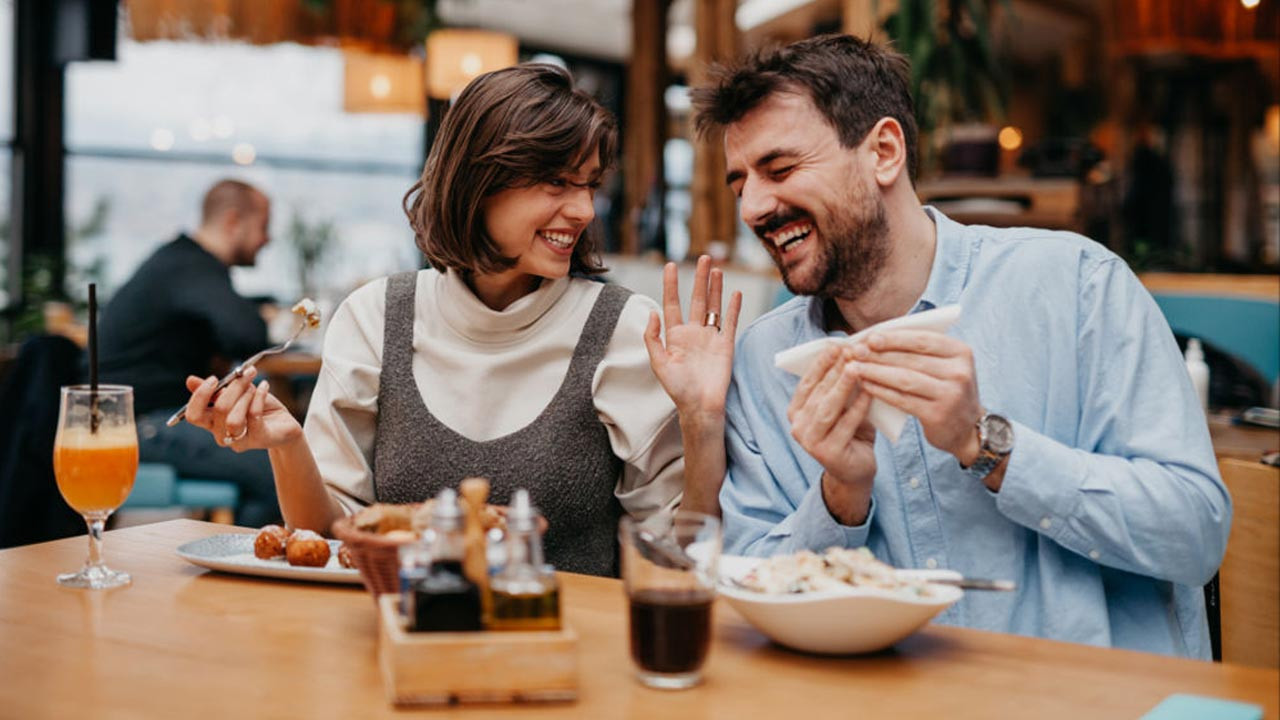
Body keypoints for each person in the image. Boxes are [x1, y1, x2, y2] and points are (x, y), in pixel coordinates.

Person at [668, 34, 1230, 658]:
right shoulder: (759, 362)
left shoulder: (1077, 286)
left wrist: (987, 445)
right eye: (739, 182)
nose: (753, 206)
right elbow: (747, 584)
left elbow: (1196, 532)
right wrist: (840, 499)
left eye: (780, 169)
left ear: (883, 151)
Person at [180, 64, 729, 577]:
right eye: (557, 183)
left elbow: (677, 555)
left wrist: (703, 422)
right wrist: (287, 445)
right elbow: (327, 542)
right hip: (397, 643)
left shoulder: (627, 329)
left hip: (566, 650)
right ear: (477, 183)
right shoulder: (376, 318)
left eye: (589, 184)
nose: (584, 210)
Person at [99, 179, 281, 528]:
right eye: (263, 226)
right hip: (142, 424)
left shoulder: (178, 263)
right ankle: (245, 572)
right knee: (276, 467)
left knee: (275, 455)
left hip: (142, 418)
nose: (267, 238)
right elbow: (248, 334)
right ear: (232, 222)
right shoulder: (191, 266)